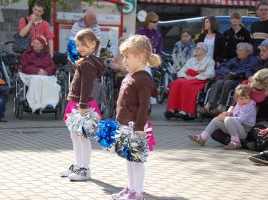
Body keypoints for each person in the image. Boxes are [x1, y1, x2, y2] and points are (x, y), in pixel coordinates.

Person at [111, 34, 159, 200]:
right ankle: (130, 188)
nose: (124, 61)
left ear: (139, 57)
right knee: (129, 158)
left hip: (136, 127)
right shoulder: (131, 75)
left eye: (127, 57)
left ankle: (137, 193)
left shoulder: (144, 79)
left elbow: (144, 106)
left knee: (137, 160)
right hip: (126, 125)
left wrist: (139, 128)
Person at [60, 29, 105, 181]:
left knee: (82, 137)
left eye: (84, 45)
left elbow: (86, 85)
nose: (80, 48)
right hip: (77, 102)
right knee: (75, 135)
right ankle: (78, 165)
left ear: (93, 44)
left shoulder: (87, 63)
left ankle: (84, 169)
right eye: (78, 45)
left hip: (82, 104)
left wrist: (83, 104)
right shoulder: (85, 60)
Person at [189, 84, 256, 150]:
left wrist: (226, 118)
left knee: (228, 120)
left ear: (250, 97)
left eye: (247, 98)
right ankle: (202, 138)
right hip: (236, 128)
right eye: (241, 99)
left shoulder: (250, 106)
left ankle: (236, 142)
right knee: (216, 119)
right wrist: (227, 114)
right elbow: (234, 116)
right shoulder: (239, 104)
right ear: (237, 98)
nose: (244, 100)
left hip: (245, 130)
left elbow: (241, 119)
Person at [200, 43, 260, 116]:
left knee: (227, 82)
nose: (238, 52)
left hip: (240, 81)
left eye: (241, 50)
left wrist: (236, 73)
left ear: (247, 52)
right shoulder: (235, 59)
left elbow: (249, 70)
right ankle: (208, 105)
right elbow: (222, 67)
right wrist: (228, 72)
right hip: (230, 78)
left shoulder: (253, 60)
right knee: (219, 82)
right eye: (237, 50)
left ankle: (222, 106)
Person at [164, 42, 215, 120]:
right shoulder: (191, 60)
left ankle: (185, 110)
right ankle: (172, 109)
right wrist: (186, 76)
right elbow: (182, 71)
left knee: (185, 84)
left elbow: (210, 73)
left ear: (204, 51)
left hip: (200, 80)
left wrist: (195, 77)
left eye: (198, 48)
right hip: (188, 78)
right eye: (196, 48)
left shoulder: (209, 61)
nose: (196, 50)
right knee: (175, 83)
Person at [19, 36, 60, 113]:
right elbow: (25, 67)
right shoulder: (26, 54)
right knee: (36, 79)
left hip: (45, 75)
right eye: (33, 42)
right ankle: (36, 103)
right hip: (31, 75)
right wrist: (37, 71)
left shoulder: (47, 55)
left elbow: (52, 66)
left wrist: (46, 72)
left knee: (48, 81)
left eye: (37, 43)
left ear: (42, 46)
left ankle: (49, 103)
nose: (34, 44)